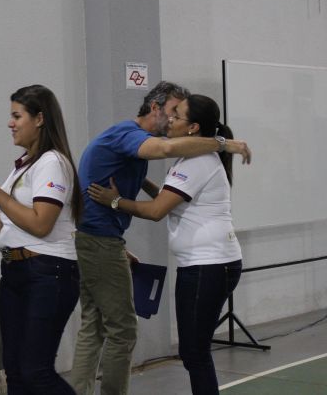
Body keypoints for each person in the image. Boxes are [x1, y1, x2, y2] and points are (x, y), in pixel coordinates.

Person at [70, 82, 251, 395]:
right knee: (118, 330)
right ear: (155, 108)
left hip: (204, 263)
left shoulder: (195, 159)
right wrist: (223, 144)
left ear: (193, 128)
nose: (171, 121)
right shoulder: (139, 140)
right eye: (171, 112)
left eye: (178, 115)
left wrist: (117, 201)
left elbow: (158, 208)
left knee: (188, 350)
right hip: (107, 243)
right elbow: (166, 184)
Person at [0, 85, 82, 394]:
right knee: (14, 372)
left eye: (17, 116)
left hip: (47, 272)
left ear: (39, 119)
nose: (10, 123)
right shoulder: (26, 164)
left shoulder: (52, 163)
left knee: (35, 372)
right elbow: (4, 221)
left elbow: (41, 224)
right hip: (16, 271)